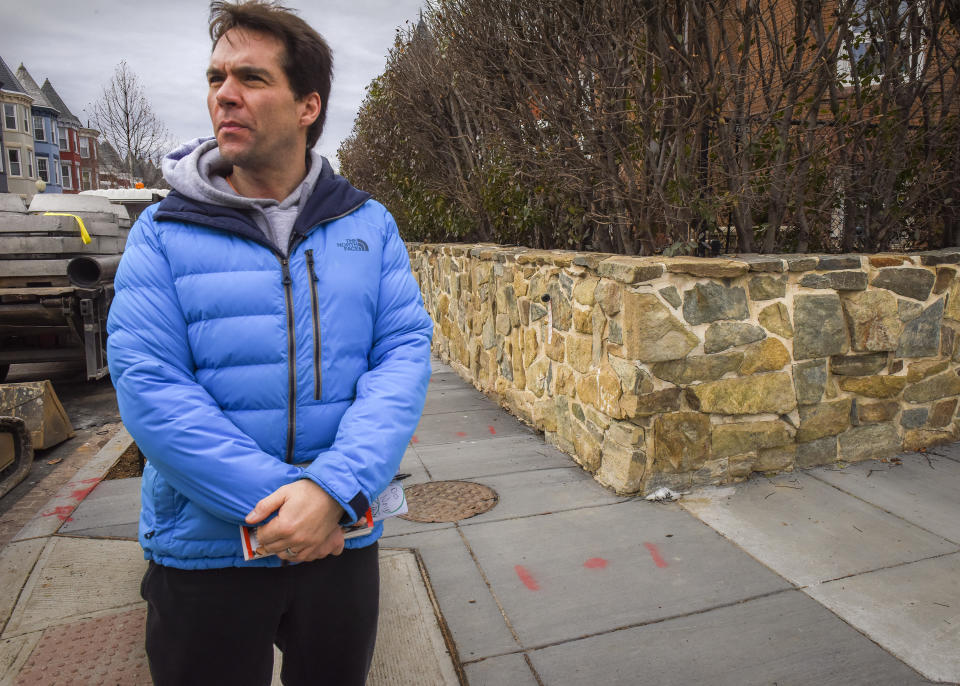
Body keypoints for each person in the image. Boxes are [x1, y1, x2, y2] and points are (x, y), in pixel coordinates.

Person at [105, 2, 433, 684]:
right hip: (207, 553)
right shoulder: (162, 234)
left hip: (341, 543)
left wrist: (336, 490)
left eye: (251, 77)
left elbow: (401, 357)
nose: (224, 94)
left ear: (307, 104)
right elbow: (150, 387)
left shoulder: (367, 225)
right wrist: (297, 505)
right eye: (217, 76)